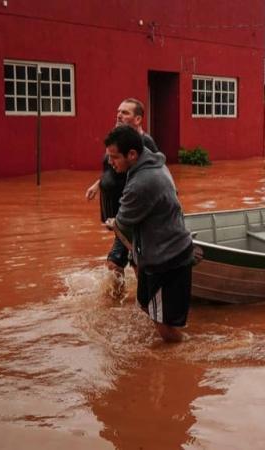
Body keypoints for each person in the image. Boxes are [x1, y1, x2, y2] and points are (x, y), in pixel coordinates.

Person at [104, 125, 193, 343]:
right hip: (158, 252)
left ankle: (186, 351)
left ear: (132, 154)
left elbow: (122, 223)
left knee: (163, 326)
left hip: (166, 260)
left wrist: (114, 223)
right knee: (145, 304)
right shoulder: (153, 162)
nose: (110, 162)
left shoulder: (141, 183)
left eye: (114, 157)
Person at [85, 98, 162, 277]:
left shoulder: (145, 143)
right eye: (118, 111)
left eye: (125, 112)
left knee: (117, 263)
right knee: (132, 259)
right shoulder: (118, 139)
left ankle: (139, 291)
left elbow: (156, 173)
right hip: (121, 214)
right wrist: (99, 184)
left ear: (138, 119)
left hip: (133, 215)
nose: (119, 115)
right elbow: (113, 168)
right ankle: (139, 288)